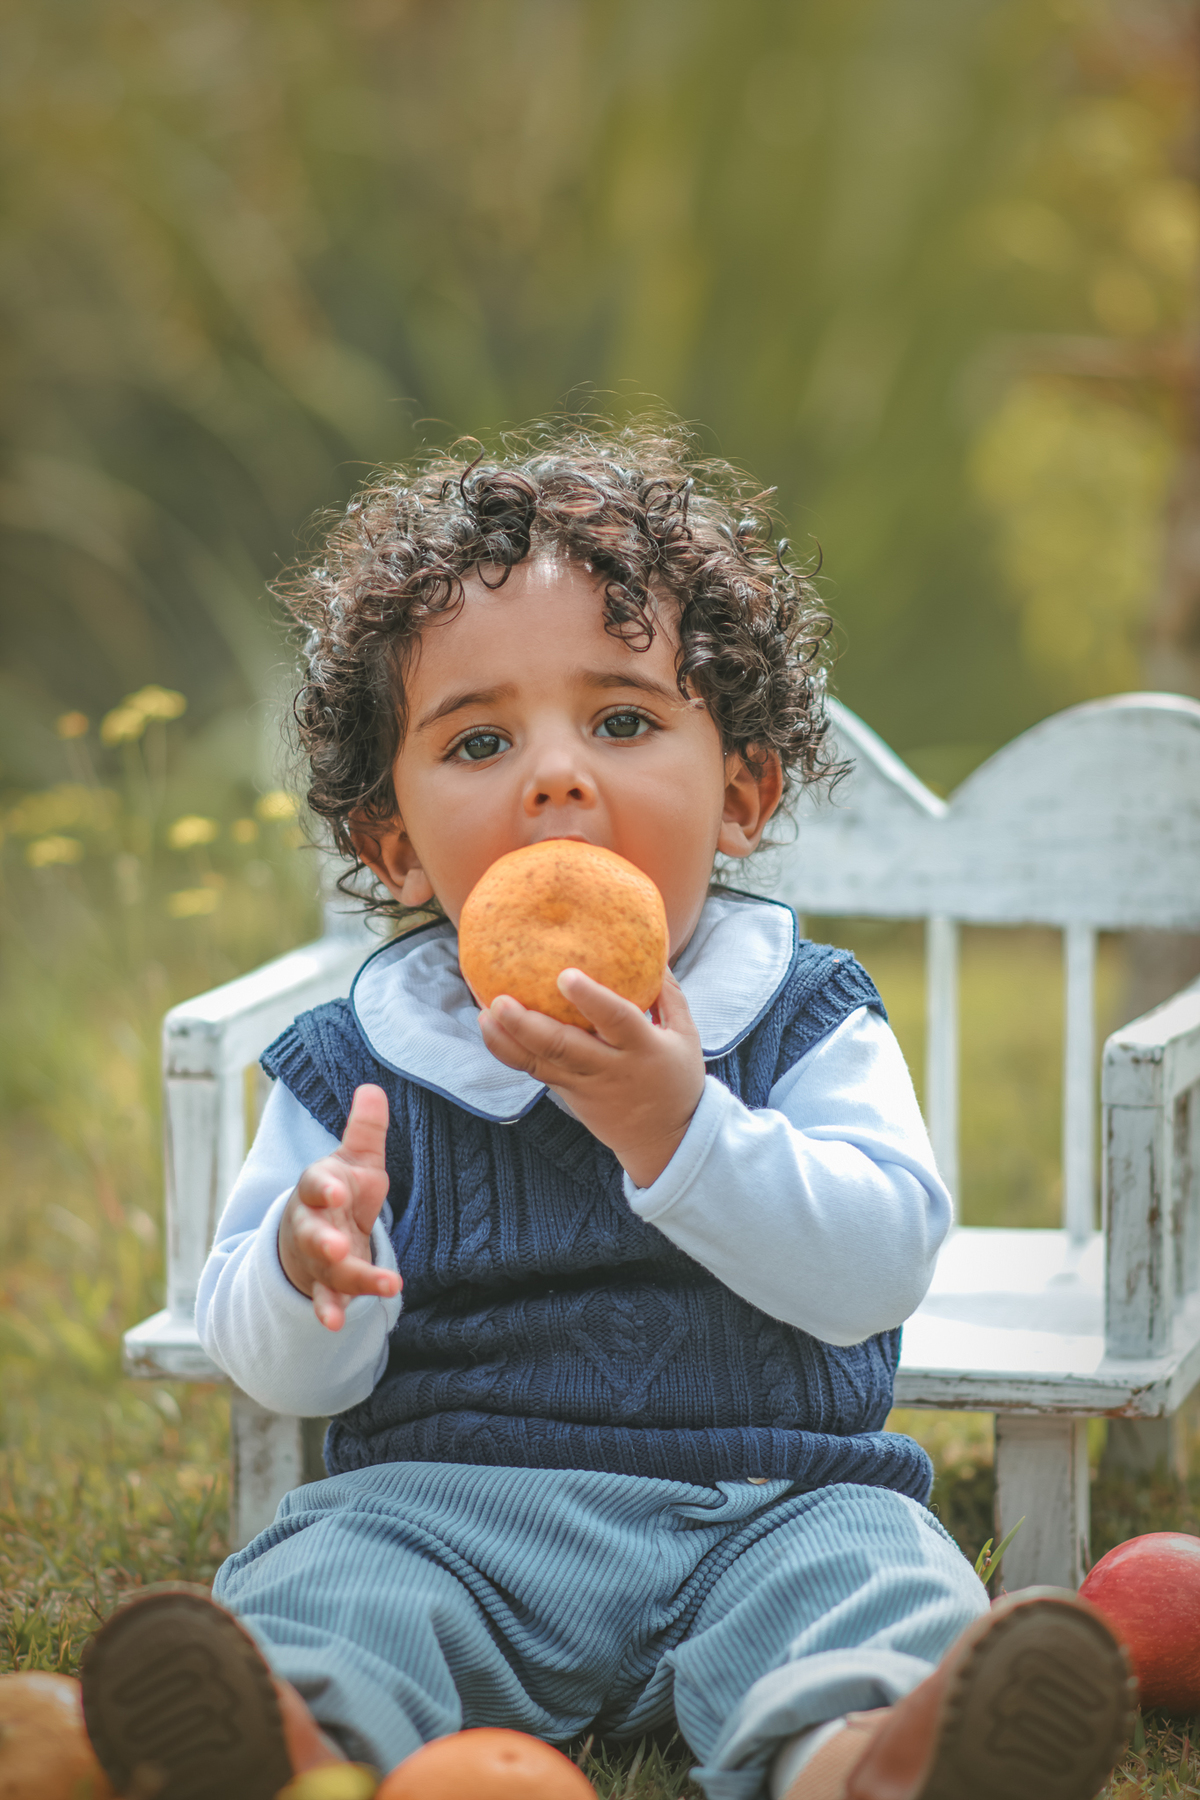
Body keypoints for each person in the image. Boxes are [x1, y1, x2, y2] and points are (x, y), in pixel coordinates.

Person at [80, 424, 1134, 1800]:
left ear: (742, 794)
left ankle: (873, 1761)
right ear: (394, 843)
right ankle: (295, 1744)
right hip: (448, 1514)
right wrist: (307, 1268)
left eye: (624, 721)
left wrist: (679, 1128)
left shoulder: (804, 1014)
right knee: (329, 1578)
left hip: (770, 1509)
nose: (556, 777)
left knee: (878, 1583)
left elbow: (881, 1266)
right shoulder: (355, 1068)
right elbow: (282, 1373)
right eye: (479, 740)